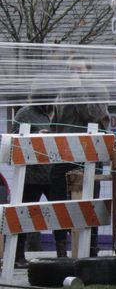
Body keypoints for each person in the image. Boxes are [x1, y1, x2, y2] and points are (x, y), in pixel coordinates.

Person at [53, 57, 109, 258]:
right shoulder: (61, 94)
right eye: (70, 70)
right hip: (63, 153)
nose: (74, 74)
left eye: (79, 70)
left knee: (89, 199)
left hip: (89, 154)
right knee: (58, 199)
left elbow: (94, 114)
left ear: (89, 71)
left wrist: (78, 90)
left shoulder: (98, 89)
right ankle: (61, 246)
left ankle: (91, 247)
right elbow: (57, 123)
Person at [11, 94, 65, 267]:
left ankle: (62, 254)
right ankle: (18, 255)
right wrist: (35, 135)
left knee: (60, 212)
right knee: (25, 214)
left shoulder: (58, 111)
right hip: (32, 175)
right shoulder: (25, 113)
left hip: (54, 172)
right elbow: (14, 137)